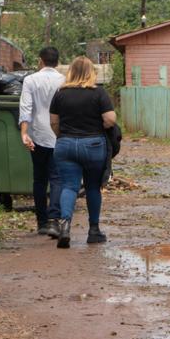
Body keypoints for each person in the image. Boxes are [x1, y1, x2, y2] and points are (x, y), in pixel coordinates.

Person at [49, 57, 117, 249]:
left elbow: (54, 122)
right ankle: (93, 231)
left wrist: (63, 136)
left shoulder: (60, 93)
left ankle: (65, 226)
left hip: (65, 145)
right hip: (93, 145)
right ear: (90, 72)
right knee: (93, 187)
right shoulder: (98, 93)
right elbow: (110, 120)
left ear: (70, 71)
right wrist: (99, 126)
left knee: (69, 186)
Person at [18, 46, 65, 237]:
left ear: (40, 61)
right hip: (59, 135)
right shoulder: (64, 81)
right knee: (56, 179)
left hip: (37, 135)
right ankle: (54, 220)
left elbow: (26, 108)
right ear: (58, 62)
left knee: (39, 179)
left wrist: (24, 133)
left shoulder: (30, 80)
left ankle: (42, 223)